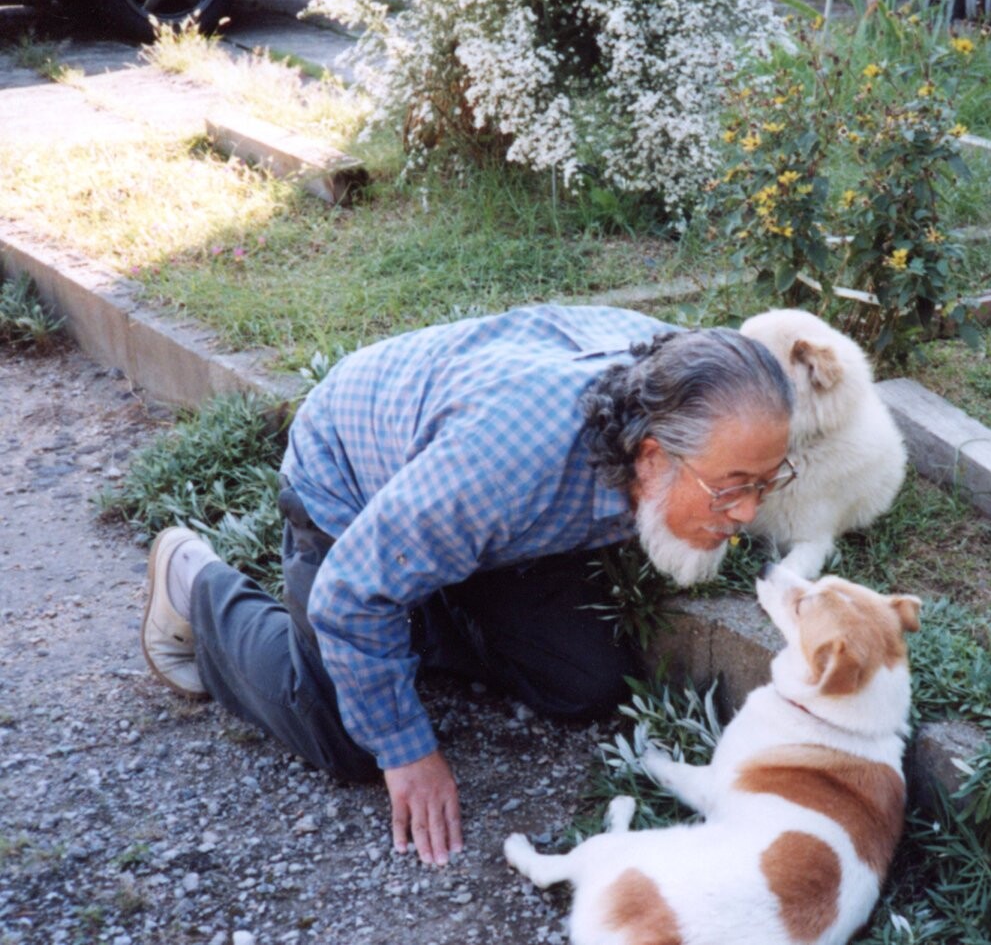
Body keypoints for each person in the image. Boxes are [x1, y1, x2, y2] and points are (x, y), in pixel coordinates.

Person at [138, 304, 795, 866]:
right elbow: (350, 594)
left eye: (765, 482)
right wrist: (406, 749)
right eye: (733, 488)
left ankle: (419, 589)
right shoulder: (506, 463)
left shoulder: (708, 392)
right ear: (651, 458)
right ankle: (196, 585)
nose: (746, 513)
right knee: (346, 735)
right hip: (352, 484)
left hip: (461, 502)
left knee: (582, 679)